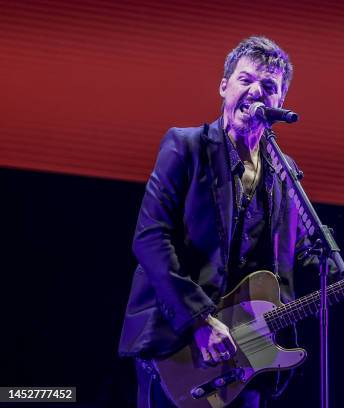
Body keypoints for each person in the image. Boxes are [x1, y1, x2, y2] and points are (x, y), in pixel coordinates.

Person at [118, 36, 316, 407]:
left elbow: (310, 252)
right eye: (245, 80)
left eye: (269, 87)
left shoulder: (284, 172)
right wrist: (200, 321)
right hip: (178, 346)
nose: (256, 91)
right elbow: (150, 238)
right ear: (224, 86)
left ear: (280, 103)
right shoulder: (186, 147)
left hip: (248, 360)